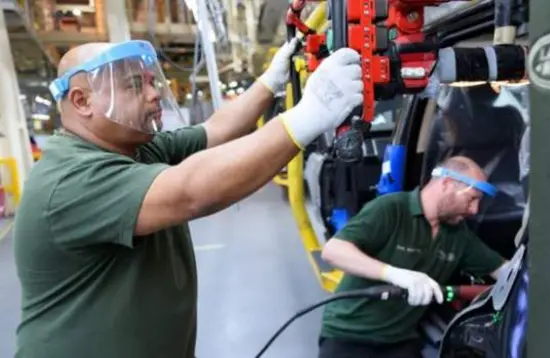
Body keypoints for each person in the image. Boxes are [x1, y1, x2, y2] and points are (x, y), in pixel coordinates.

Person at [12, 38, 363, 358]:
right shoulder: (69, 179)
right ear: (82, 101)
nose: (153, 94)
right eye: (135, 85)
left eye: (151, 82)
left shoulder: (136, 148)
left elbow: (217, 130)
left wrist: (269, 82)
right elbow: (190, 193)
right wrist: (310, 115)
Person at [318, 156, 509, 358]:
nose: (475, 210)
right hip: (349, 336)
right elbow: (333, 250)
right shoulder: (391, 210)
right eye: (472, 198)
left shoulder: (458, 236)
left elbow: (506, 272)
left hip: (400, 341)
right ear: (446, 184)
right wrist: (394, 274)